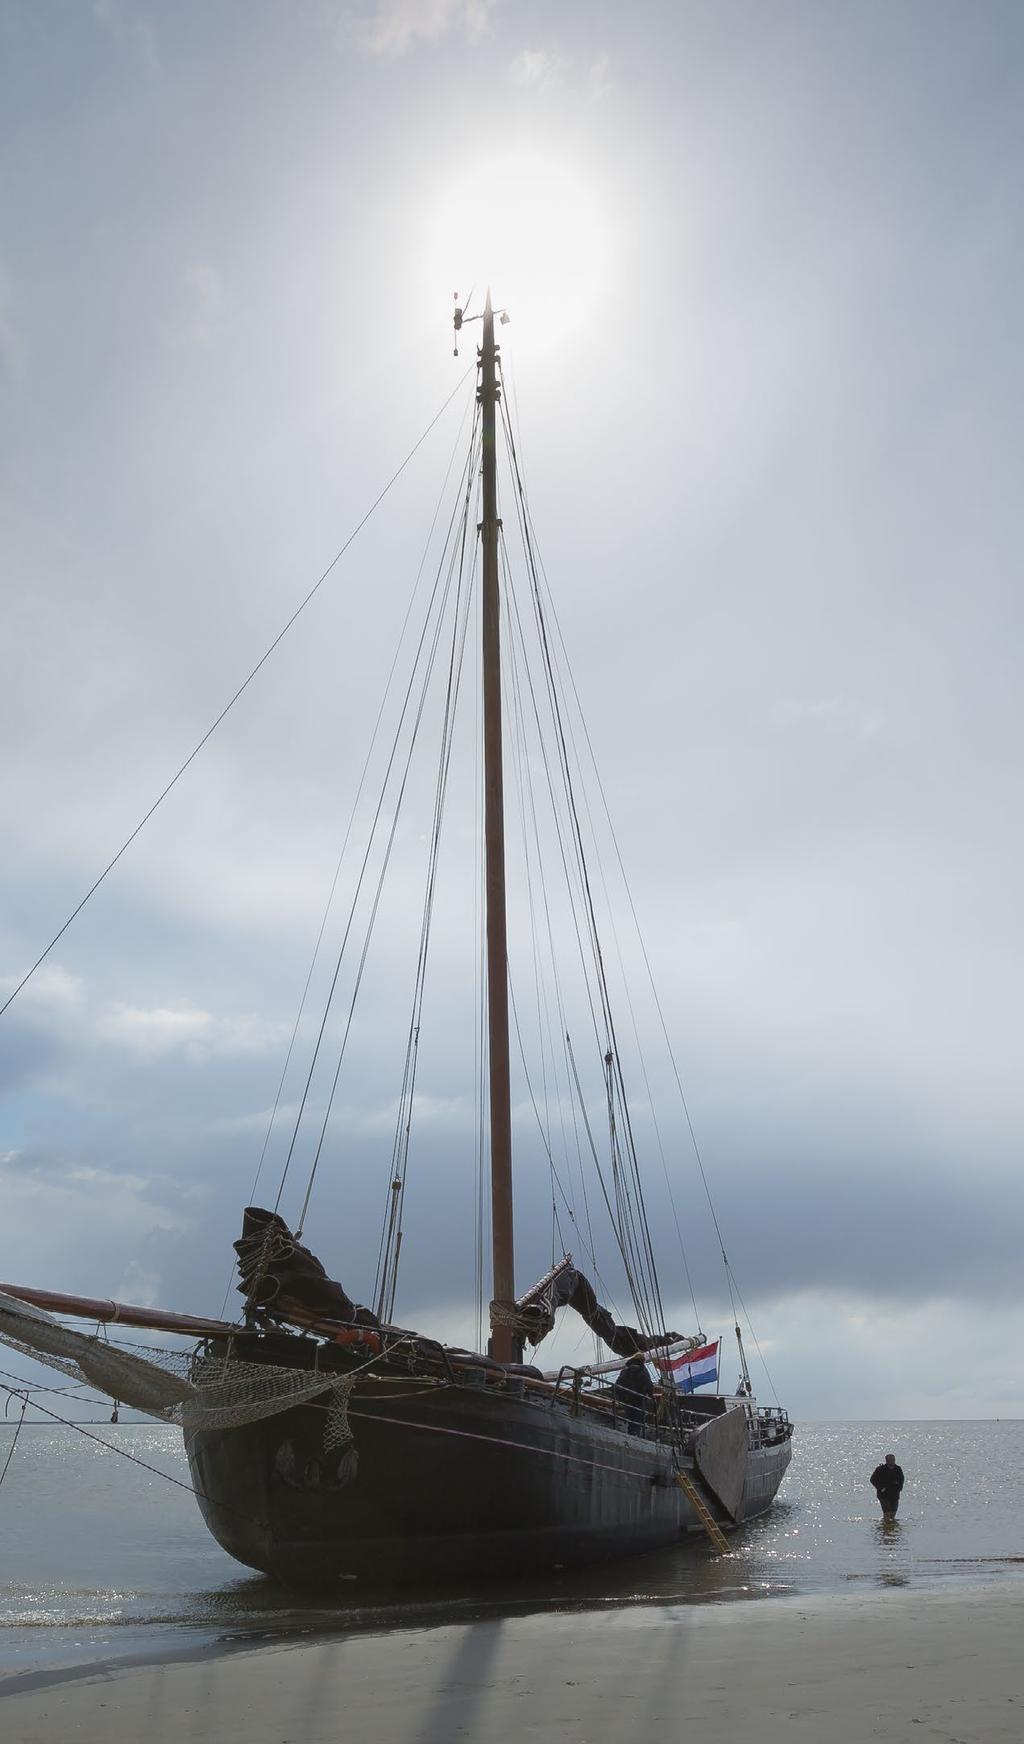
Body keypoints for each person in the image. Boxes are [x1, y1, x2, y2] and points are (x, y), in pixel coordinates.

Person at [613, 1352, 653, 1436]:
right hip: (638, 1400)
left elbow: (618, 1385)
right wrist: (651, 1395)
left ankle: (627, 1431)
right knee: (637, 1418)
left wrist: (620, 1397)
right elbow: (648, 1385)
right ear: (642, 1361)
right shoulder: (643, 1371)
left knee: (628, 1415)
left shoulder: (625, 1370)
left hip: (626, 1399)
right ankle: (634, 1434)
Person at [870, 1452, 905, 1518]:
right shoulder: (880, 1469)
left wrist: (899, 1488)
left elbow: (901, 1479)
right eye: (890, 1460)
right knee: (887, 1513)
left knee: (893, 1514)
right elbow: (872, 1480)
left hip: (895, 1494)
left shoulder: (898, 1469)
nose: (892, 1461)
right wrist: (880, 1488)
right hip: (883, 1494)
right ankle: (885, 1525)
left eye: (893, 1460)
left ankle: (890, 1527)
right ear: (886, 1460)